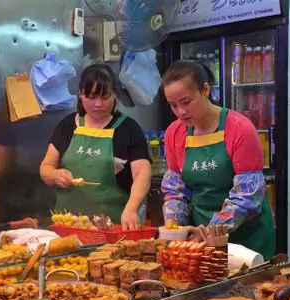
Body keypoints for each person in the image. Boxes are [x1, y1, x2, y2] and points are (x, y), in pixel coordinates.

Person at [160, 60, 276, 259]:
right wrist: (174, 228)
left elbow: (247, 196)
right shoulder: (174, 133)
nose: (181, 112)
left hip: (248, 239)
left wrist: (211, 231)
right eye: (173, 105)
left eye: (186, 102)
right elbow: (175, 190)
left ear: (205, 90)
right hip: (201, 238)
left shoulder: (239, 129)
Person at [40, 64, 151, 230]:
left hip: (113, 228)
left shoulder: (128, 129)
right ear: (80, 94)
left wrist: (131, 208)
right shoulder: (67, 125)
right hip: (67, 228)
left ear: (114, 94)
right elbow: (46, 167)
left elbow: (142, 173)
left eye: (105, 97)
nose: (98, 104)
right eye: (91, 97)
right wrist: (55, 175)